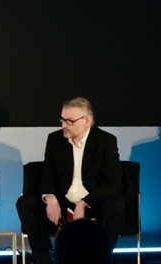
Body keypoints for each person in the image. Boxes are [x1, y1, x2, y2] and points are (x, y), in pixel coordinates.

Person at [16, 97, 125, 264]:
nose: (64, 125)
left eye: (70, 121)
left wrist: (84, 202)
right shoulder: (55, 139)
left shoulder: (105, 141)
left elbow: (114, 183)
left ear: (87, 121)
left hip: (93, 202)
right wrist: (50, 198)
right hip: (62, 201)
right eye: (62, 120)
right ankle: (45, 259)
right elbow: (47, 176)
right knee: (26, 202)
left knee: (116, 205)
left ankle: (100, 258)